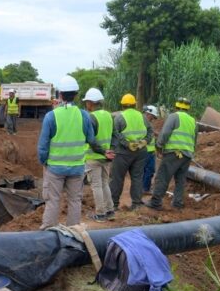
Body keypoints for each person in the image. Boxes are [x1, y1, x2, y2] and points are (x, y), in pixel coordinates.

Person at [38, 76, 112, 229]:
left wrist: (44, 161)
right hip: (77, 167)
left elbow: (43, 146)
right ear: (76, 95)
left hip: (55, 167)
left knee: (53, 200)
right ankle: (74, 232)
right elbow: (91, 139)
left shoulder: (51, 116)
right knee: (74, 200)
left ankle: (48, 230)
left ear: (60, 94)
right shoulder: (84, 115)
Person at [145, 98, 197, 211]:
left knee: (163, 176)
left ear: (176, 107)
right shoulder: (193, 121)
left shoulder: (174, 116)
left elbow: (165, 133)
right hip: (187, 155)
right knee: (181, 180)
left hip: (174, 153)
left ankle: (155, 202)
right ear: (188, 109)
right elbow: (195, 140)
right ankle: (177, 203)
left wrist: (159, 146)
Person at [109, 93, 153, 211]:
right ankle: (136, 204)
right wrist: (145, 141)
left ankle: (114, 204)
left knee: (117, 178)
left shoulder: (119, 117)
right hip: (140, 152)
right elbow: (150, 131)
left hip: (123, 152)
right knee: (137, 177)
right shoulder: (142, 116)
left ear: (122, 105)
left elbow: (115, 133)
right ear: (134, 105)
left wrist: (126, 143)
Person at [83, 88, 116, 222]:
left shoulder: (91, 117)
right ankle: (110, 211)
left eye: (86, 102)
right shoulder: (108, 115)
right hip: (106, 157)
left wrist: (102, 151)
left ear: (91, 103)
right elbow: (114, 135)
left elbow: (91, 140)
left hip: (93, 156)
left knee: (96, 185)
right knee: (104, 183)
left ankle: (100, 214)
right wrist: (109, 151)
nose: (86, 105)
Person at [142, 105, 159, 193]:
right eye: (153, 117)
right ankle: (144, 188)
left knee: (150, 170)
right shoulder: (142, 123)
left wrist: (157, 134)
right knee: (146, 170)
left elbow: (151, 132)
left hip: (150, 151)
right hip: (145, 151)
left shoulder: (148, 123)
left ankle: (145, 188)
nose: (153, 119)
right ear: (148, 114)